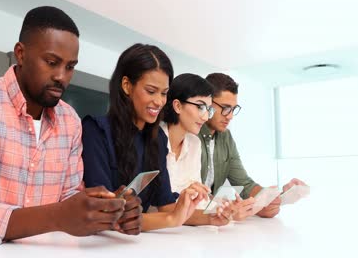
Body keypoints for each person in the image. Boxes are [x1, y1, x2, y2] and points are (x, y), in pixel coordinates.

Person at [0, 6, 141, 245]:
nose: (61, 76)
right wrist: (58, 216)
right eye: (51, 62)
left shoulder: (70, 121)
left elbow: (68, 197)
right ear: (21, 53)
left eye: (70, 67)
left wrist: (104, 212)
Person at [82, 44, 210, 231]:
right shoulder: (96, 131)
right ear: (127, 86)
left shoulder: (158, 138)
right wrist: (171, 219)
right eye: (151, 91)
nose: (159, 101)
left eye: (164, 93)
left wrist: (189, 207)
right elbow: (104, 214)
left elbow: (165, 205)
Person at [199, 73, 306, 219]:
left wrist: (274, 198)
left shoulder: (226, 137)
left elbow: (244, 184)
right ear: (207, 102)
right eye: (225, 108)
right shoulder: (189, 135)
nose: (230, 116)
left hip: (211, 224)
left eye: (233, 109)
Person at [161, 73, 230, 225]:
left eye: (208, 109)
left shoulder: (194, 143)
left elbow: (198, 200)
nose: (206, 117)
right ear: (177, 106)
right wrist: (211, 217)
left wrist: (222, 209)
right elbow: (160, 207)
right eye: (200, 107)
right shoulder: (154, 141)